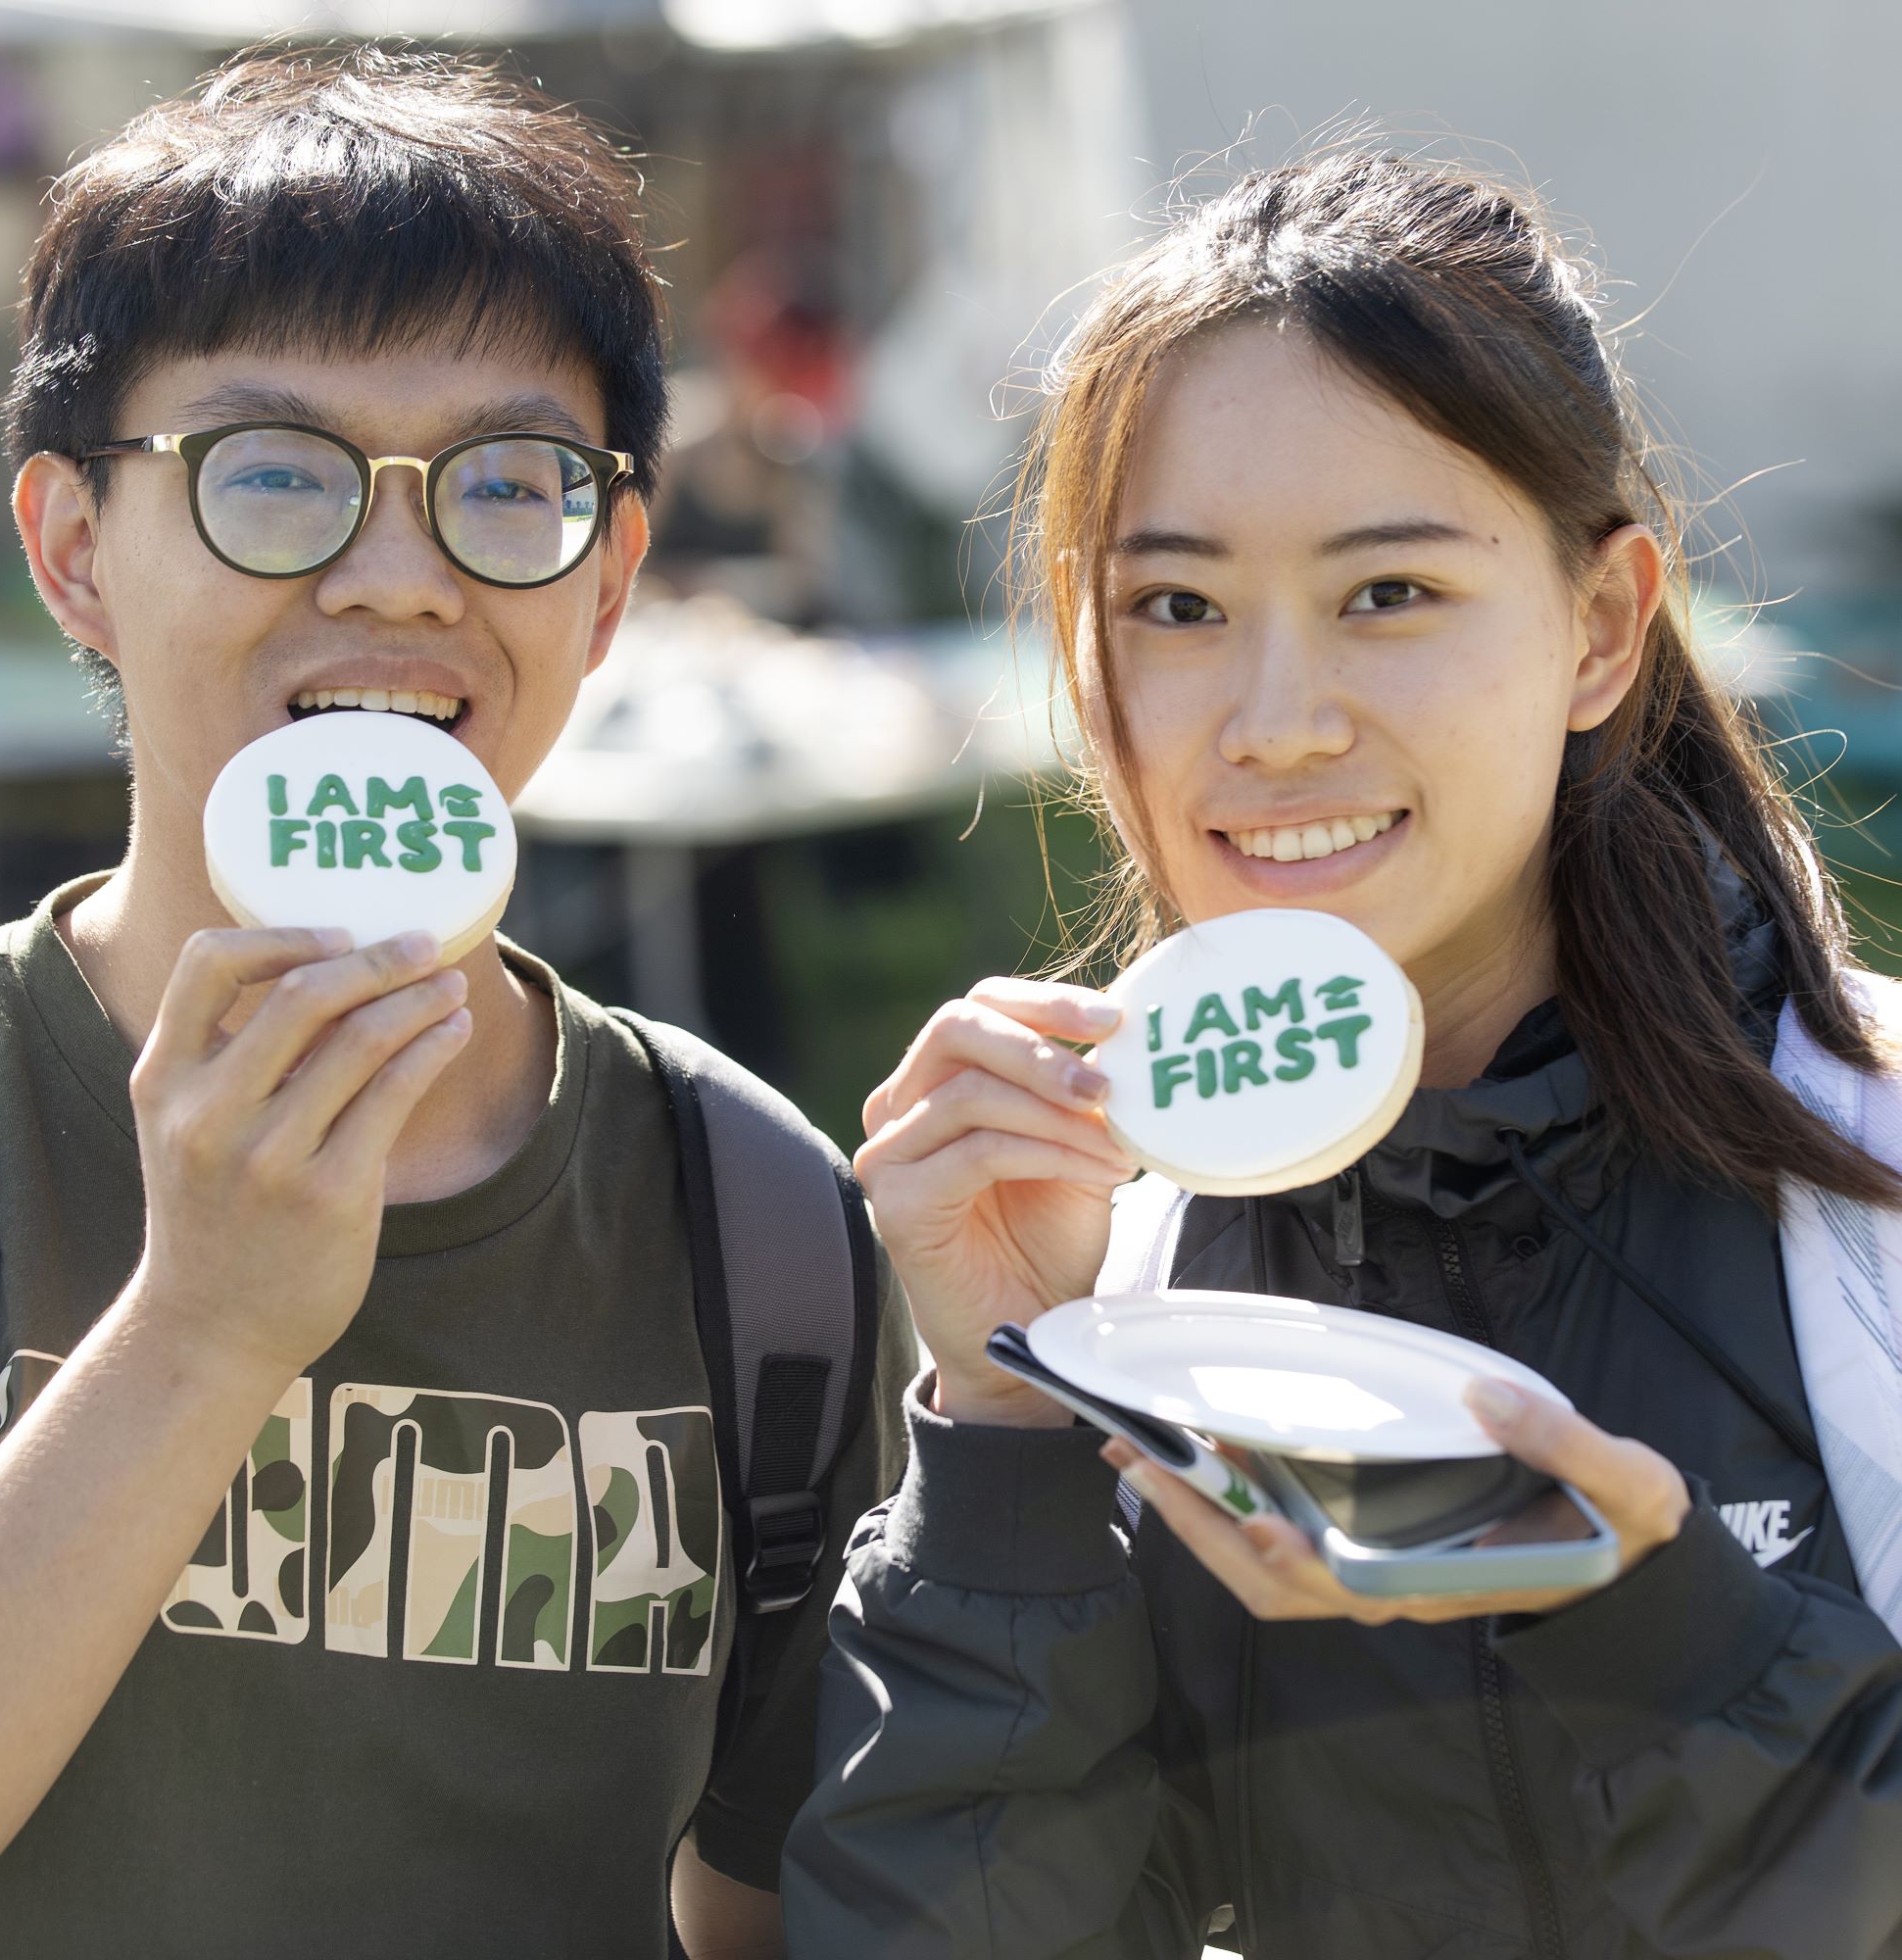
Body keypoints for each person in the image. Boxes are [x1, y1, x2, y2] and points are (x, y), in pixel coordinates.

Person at [782, 150, 1902, 1957]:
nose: (1279, 724)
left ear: (1603, 626)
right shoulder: (1113, 1281)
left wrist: (1666, 1631)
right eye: (1178, 609)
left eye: (1388, 593)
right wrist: (1006, 1422)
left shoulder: (1869, 1191)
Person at [0, 42, 911, 1956]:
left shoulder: (761, 1223)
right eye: (276, 474)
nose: (399, 574)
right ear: (73, 548)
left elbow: (774, 1910)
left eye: (508, 482)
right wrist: (199, 1333)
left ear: (610, 580)